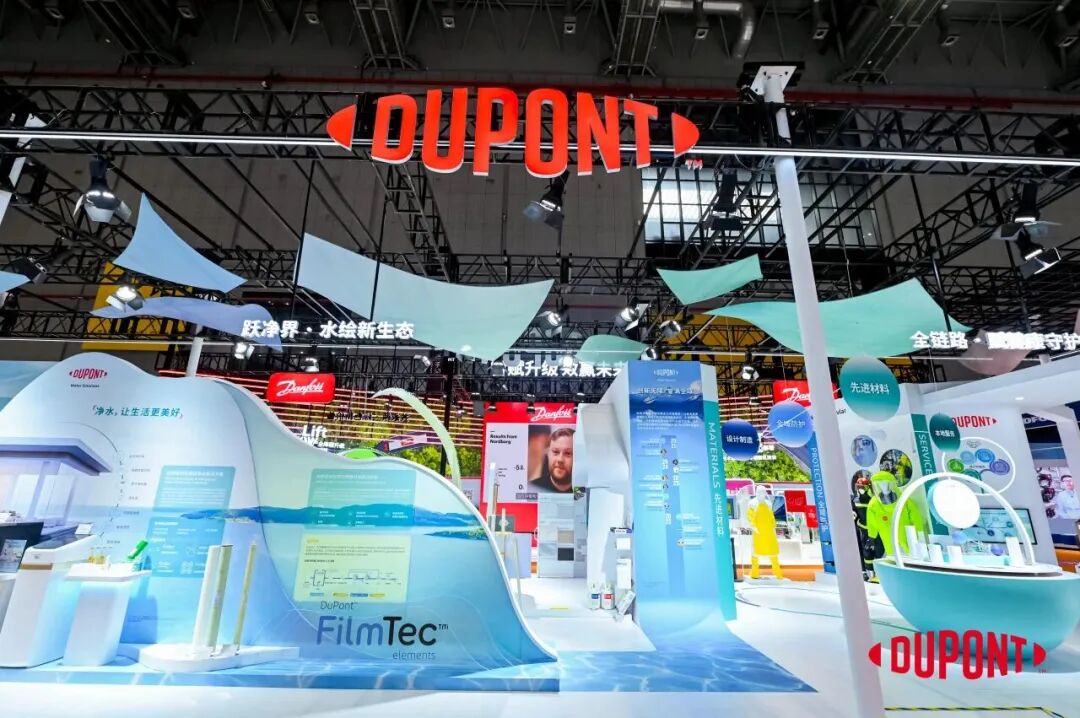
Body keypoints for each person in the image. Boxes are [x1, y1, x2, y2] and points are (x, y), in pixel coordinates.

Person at [531, 427, 574, 493]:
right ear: (548, 454)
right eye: (555, 452)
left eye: (568, 453)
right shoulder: (533, 488)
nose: (560, 459)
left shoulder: (581, 489)